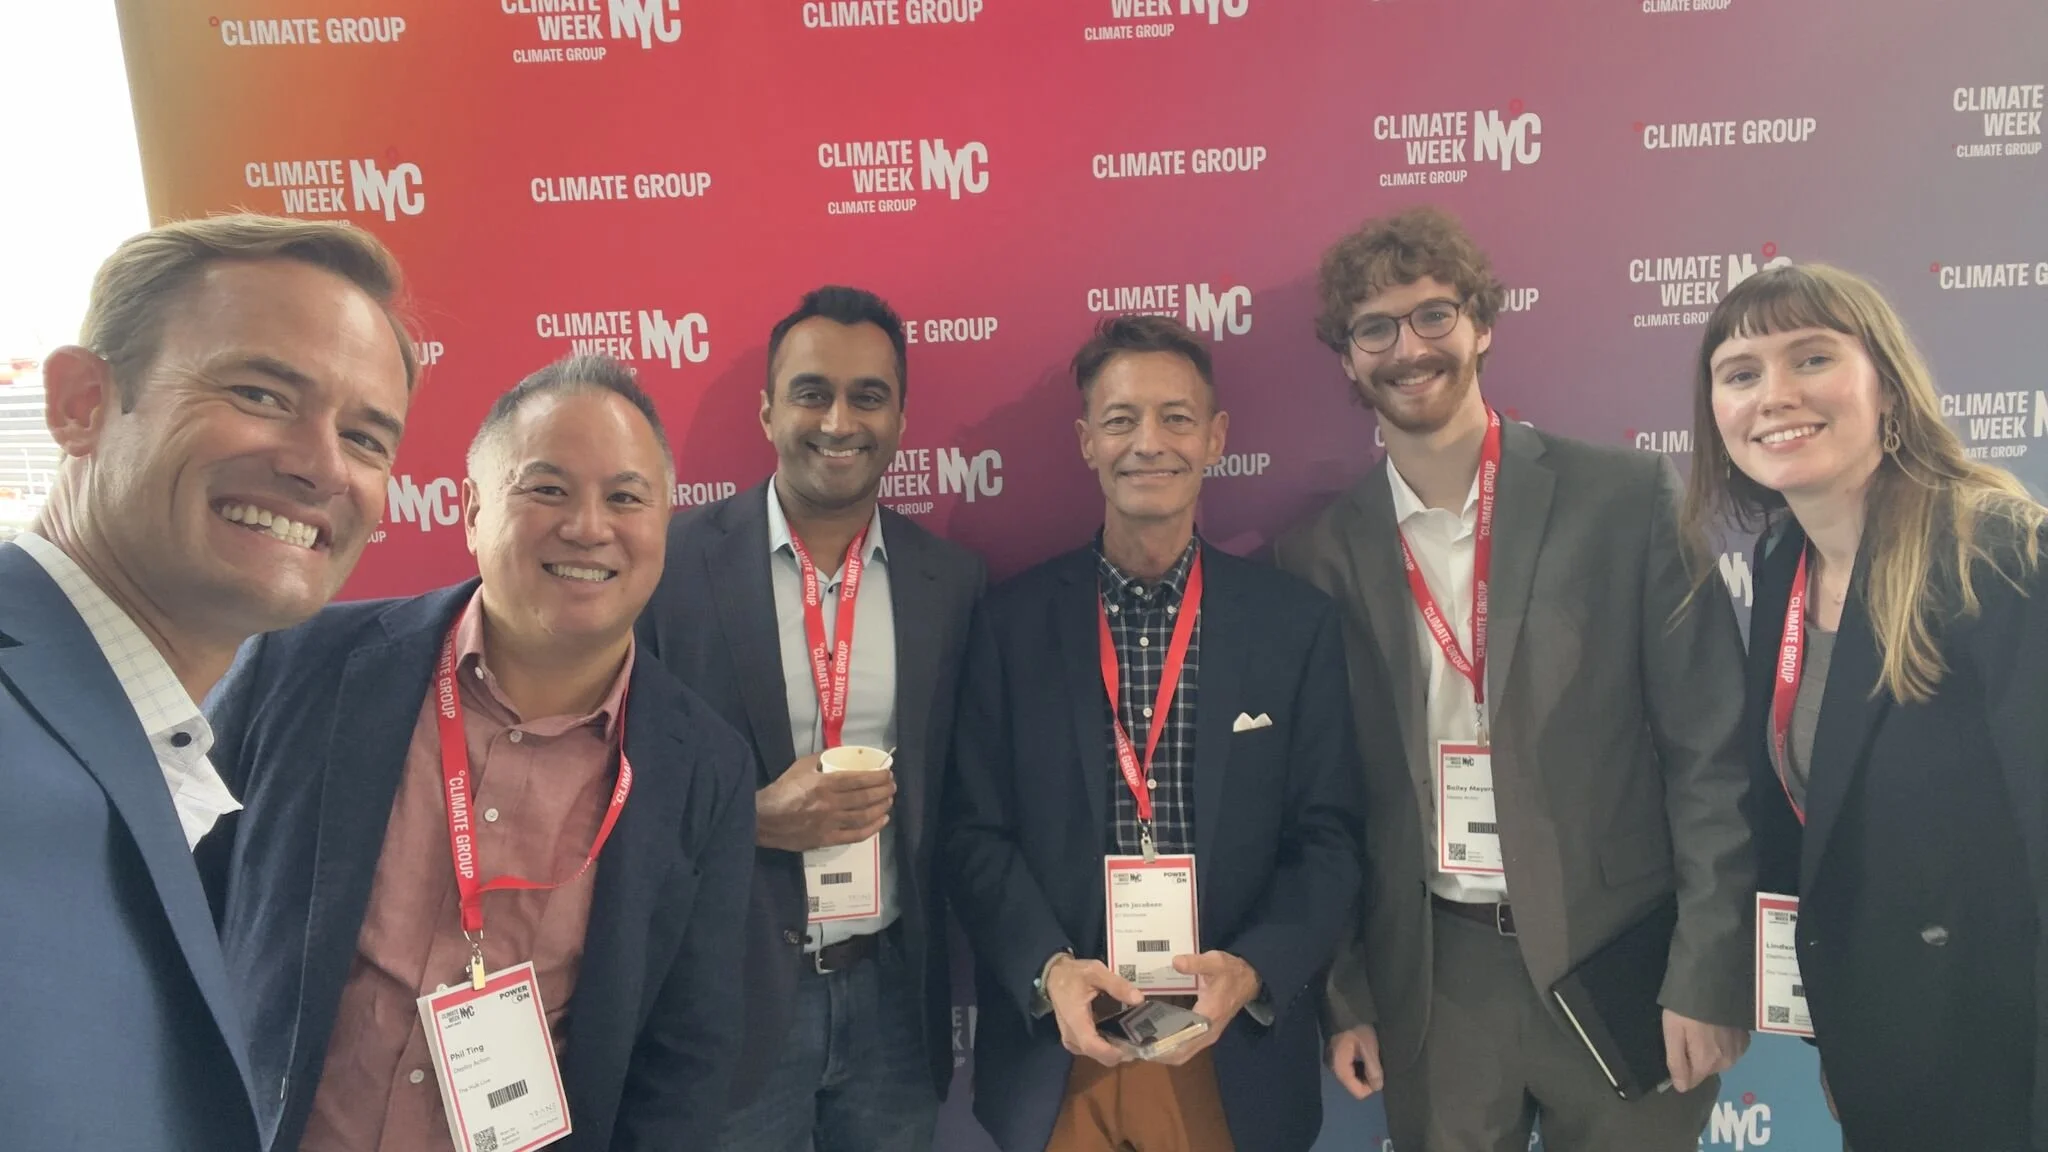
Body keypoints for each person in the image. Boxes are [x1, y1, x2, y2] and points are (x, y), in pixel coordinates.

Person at [1275, 205, 1755, 1151]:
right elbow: (1315, 799)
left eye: (1433, 316)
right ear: (1348, 360)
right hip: (1435, 981)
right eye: (1375, 328)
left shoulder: (1625, 500)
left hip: (1620, 958)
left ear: (1483, 324)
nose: (1408, 348)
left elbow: (1713, 753)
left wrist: (1708, 971)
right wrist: (1345, 992)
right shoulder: (1316, 555)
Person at [200, 355, 756, 1151]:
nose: (588, 527)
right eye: (548, 489)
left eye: (626, 497)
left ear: (664, 520)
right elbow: (181, 914)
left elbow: (686, 1059)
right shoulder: (301, 666)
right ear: (471, 509)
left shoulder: (705, 768)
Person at [0, 214, 416, 1151]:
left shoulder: (151, 737)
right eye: (262, 392)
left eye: (365, 437)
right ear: (79, 404)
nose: (320, 465)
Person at [945, 313, 1364, 1152]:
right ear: (1085, 442)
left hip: (1229, 1050)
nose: (1150, 442)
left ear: (1216, 439)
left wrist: (1251, 970)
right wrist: (1047, 972)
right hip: (1064, 1048)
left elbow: (1330, 841)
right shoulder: (1008, 626)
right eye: (1120, 419)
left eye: (1176, 418)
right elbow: (973, 835)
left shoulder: (1294, 627)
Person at [1681, 263, 2048, 1152]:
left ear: (1885, 385)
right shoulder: (1782, 566)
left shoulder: (1992, 551)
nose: (1775, 395)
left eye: (1810, 358)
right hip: (1883, 1043)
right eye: (1741, 373)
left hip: (2004, 1053)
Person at [638, 286, 985, 1151]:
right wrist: (749, 821)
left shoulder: (951, 583)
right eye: (811, 392)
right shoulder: (669, 569)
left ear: (901, 418)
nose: (839, 420)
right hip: (729, 996)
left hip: (893, 1003)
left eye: (868, 395)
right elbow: (605, 784)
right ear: (767, 410)